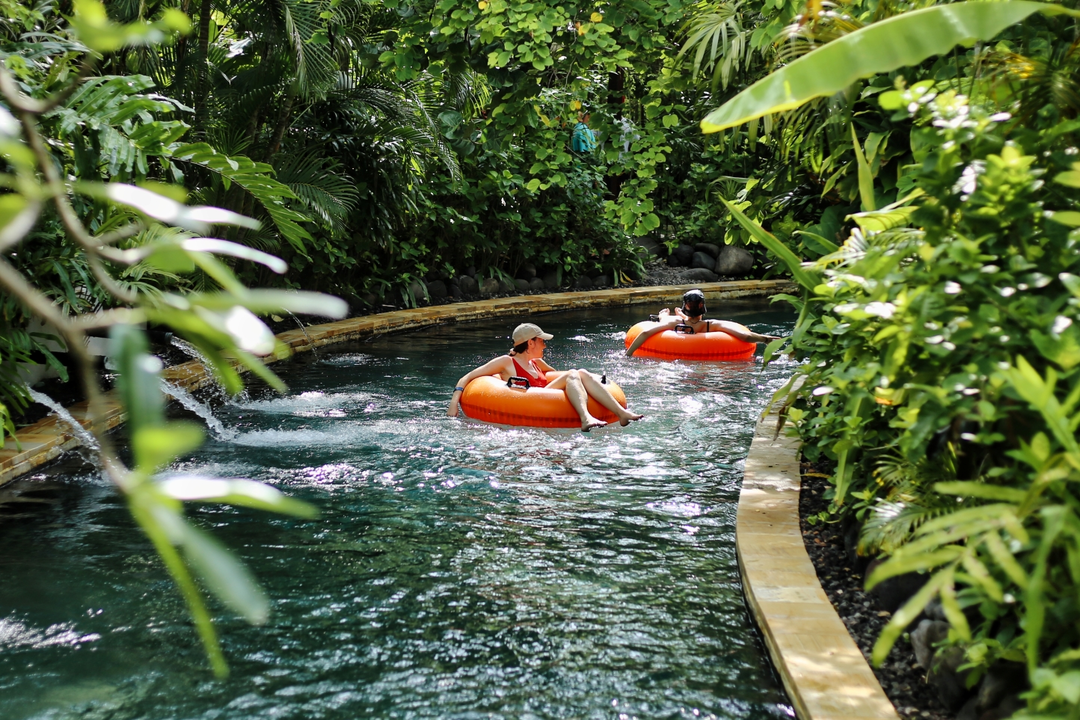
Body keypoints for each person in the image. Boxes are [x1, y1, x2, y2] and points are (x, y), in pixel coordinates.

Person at [448, 322, 643, 431]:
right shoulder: (506, 362)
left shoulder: (535, 363)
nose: (545, 345)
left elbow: (555, 375)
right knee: (574, 373)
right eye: (541, 341)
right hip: (528, 401)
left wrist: (541, 363)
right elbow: (468, 377)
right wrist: (454, 404)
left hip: (544, 395)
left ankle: (621, 413)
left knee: (580, 373)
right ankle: (586, 418)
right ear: (530, 343)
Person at [625, 289, 782, 357]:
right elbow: (745, 336)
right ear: (703, 309)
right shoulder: (711, 325)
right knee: (676, 320)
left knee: (666, 319)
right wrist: (765, 339)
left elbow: (645, 332)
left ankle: (663, 315)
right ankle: (670, 315)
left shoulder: (675, 322)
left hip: (679, 326)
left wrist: (628, 354)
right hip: (704, 359)